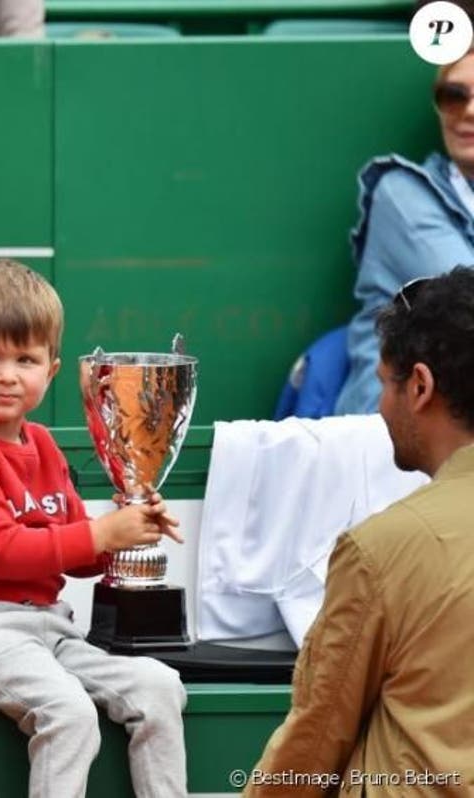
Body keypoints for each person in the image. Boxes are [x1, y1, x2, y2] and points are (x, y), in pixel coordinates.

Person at [0, 259, 187, 798]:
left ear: (52, 370)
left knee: (161, 686)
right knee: (69, 714)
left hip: (51, 630)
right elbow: (4, 553)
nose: (8, 374)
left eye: (25, 359)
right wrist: (102, 534)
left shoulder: (42, 443)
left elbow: (73, 554)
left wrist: (128, 531)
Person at [245, 266, 474, 796]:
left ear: (420, 386)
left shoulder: (381, 551)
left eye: (381, 383)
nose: (378, 406)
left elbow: (315, 741)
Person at [334, 50, 474, 414]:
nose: (469, 111)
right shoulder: (402, 194)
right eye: (453, 95)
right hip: (391, 438)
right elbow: (467, 305)